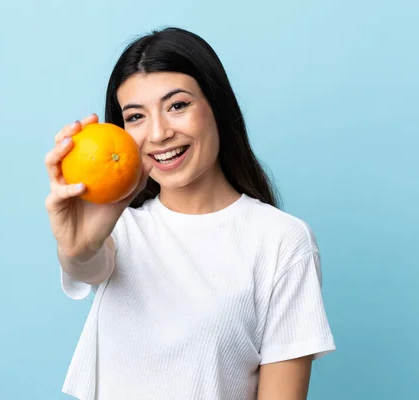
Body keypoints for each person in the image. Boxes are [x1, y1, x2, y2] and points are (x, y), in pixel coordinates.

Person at [44, 27, 336, 400]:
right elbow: (86, 262)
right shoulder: (118, 230)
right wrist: (78, 245)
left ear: (217, 107)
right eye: (135, 117)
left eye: (177, 106)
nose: (159, 133)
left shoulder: (280, 241)